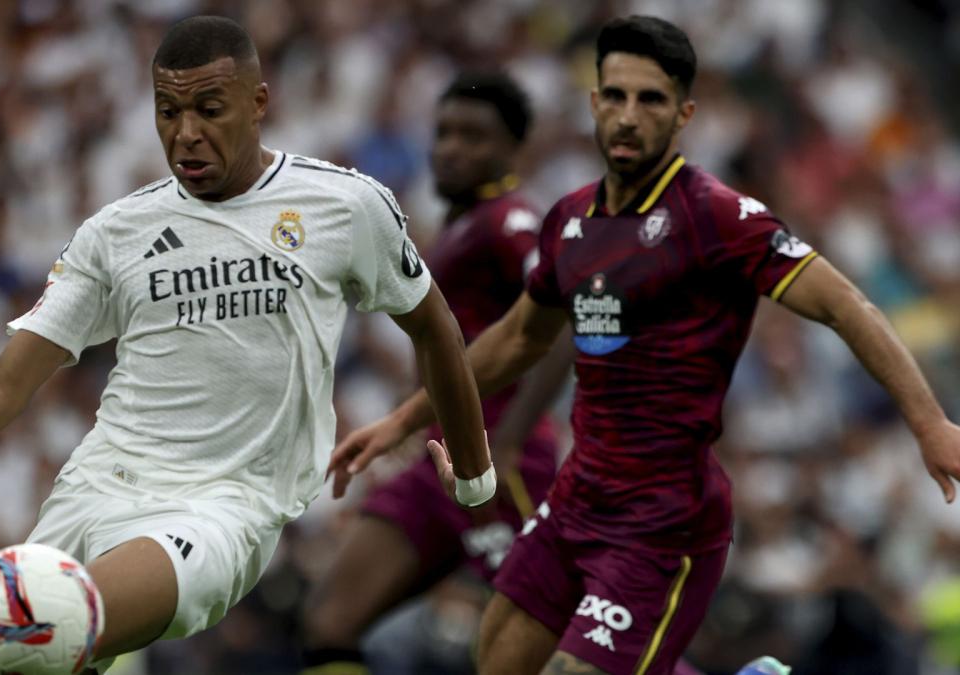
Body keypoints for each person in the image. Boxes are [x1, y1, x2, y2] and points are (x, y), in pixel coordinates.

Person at [0, 15, 495, 674]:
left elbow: (434, 329)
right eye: (167, 111)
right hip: (96, 484)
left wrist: (474, 479)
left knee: (40, 629)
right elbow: (2, 387)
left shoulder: (345, 206)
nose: (185, 133)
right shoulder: (117, 233)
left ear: (258, 102)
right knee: (11, 647)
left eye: (209, 110)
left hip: (221, 506)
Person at [329, 15, 960, 675]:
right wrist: (404, 418)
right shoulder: (571, 221)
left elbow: (845, 306)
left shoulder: (718, 218)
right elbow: (518, 337)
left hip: (664, 517)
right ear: (594, 102)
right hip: (578, 496)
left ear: (683, 113)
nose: (630, 115)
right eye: (617, 95)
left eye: (651, 99)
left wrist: (929, 421)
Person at [301, 72, 574, 674]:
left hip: (502, 461)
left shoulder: (514, 223)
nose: (452, 147)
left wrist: (504, 442)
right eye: (445, 132)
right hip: (437, 464)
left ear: (512, 150)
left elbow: (558, 329)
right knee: (330, 619)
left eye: (474, 136)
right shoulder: (460, 227)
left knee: (561, 647)